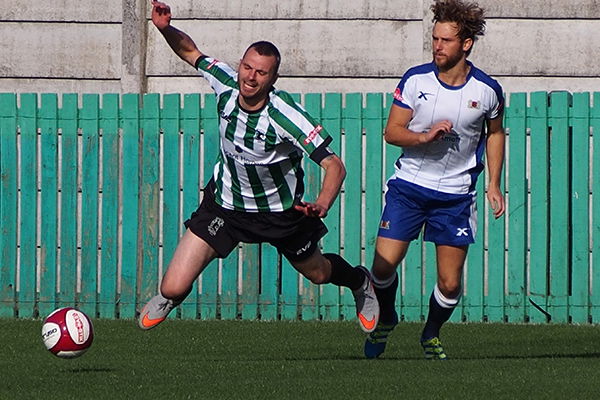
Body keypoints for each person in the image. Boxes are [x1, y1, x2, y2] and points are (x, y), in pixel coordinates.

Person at [138, 1, 379, 334]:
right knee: (173, 288)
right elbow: (191, 52)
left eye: (261, 72)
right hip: (225, 205)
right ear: (240, 66)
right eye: (247, 67)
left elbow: (334, 165)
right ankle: (169, 298)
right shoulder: (224, 83)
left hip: (279, 213)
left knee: (320, 274)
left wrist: (323, 203)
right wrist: (165, 29)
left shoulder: (285, 116)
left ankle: (358, 281)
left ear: (273, 77)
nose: (251, 77)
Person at [364, 0, 505, 360]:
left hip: (456, 196)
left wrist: (493, 183)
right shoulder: (416, 80)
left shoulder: (487, 91)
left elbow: (495, 134)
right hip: (409, 187)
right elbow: (392, 132)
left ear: (466, 44)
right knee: (381, 267)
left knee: (450, 282)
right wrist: (424, 137)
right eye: (434, 38)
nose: (437, 46)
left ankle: (431, 332)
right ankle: (388, 317)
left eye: (445, 40)